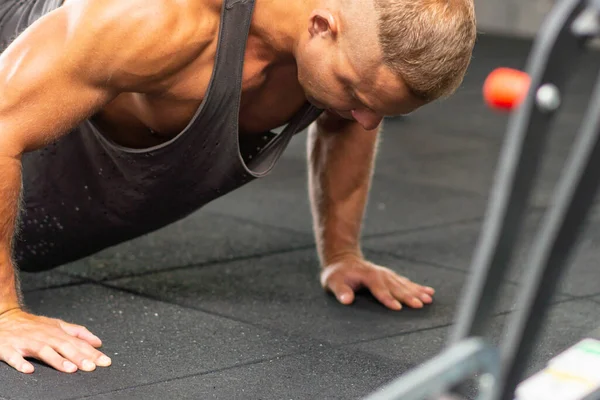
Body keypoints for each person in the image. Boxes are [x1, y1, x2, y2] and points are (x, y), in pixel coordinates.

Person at [0, 0, 476, 375]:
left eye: (382, 110)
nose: (367, 122)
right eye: (354, 93)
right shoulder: (155, 19)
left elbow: (348, 120)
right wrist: (4, 314)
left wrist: (343, 254)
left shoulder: (345, 60)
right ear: (322, 26)